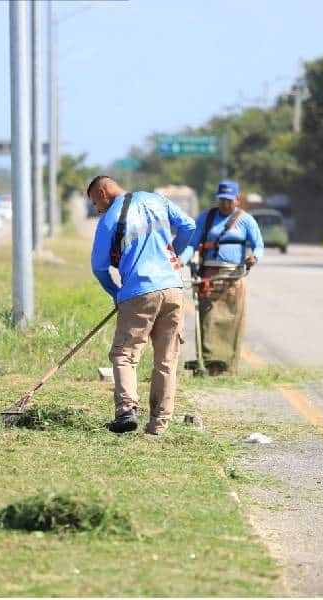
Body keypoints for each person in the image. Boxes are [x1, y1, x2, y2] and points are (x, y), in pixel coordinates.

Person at [88, 175, 197, 435]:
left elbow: (99, 267)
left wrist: (116, 292)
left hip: (138, 292)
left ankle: (126, 411)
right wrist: (176, 258)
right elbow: (189, 226)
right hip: (173, 289)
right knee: (166, 360)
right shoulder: (156, 200)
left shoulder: (109, 220)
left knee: (125, 355)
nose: (97, 208)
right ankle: (158, 426)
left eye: (95, 202)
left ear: (103, 192)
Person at [179, 180, 264, 376]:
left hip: (234, 278)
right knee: (208, 321)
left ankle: (228, 366)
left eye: (228, 200)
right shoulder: (206, 218)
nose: (225, 204)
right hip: (208, 277)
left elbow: (258, 245)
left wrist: (254, 257)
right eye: (221, 200)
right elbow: (192, 245)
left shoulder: (246, 220)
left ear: (236, 199)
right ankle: (208, 364)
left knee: (232, 321)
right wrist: (180, 262)